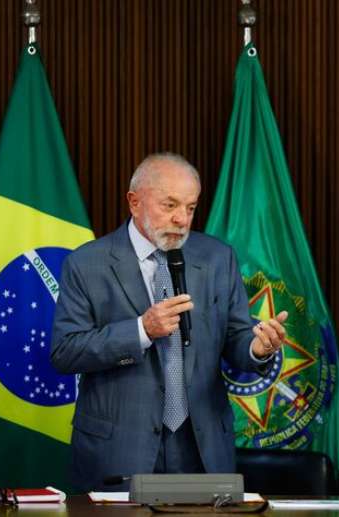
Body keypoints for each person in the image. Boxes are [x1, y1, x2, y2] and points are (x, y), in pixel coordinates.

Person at [51, 152, 288, 491]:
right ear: (134, 202)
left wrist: (257, 348)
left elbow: (236, 336)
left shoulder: (217, 258)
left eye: (190, 208)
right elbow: (65, 351)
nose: (182, 219)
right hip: (118, 447)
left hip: (200, 446)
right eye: (170, 205)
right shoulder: (87, 263)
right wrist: (141, 330)